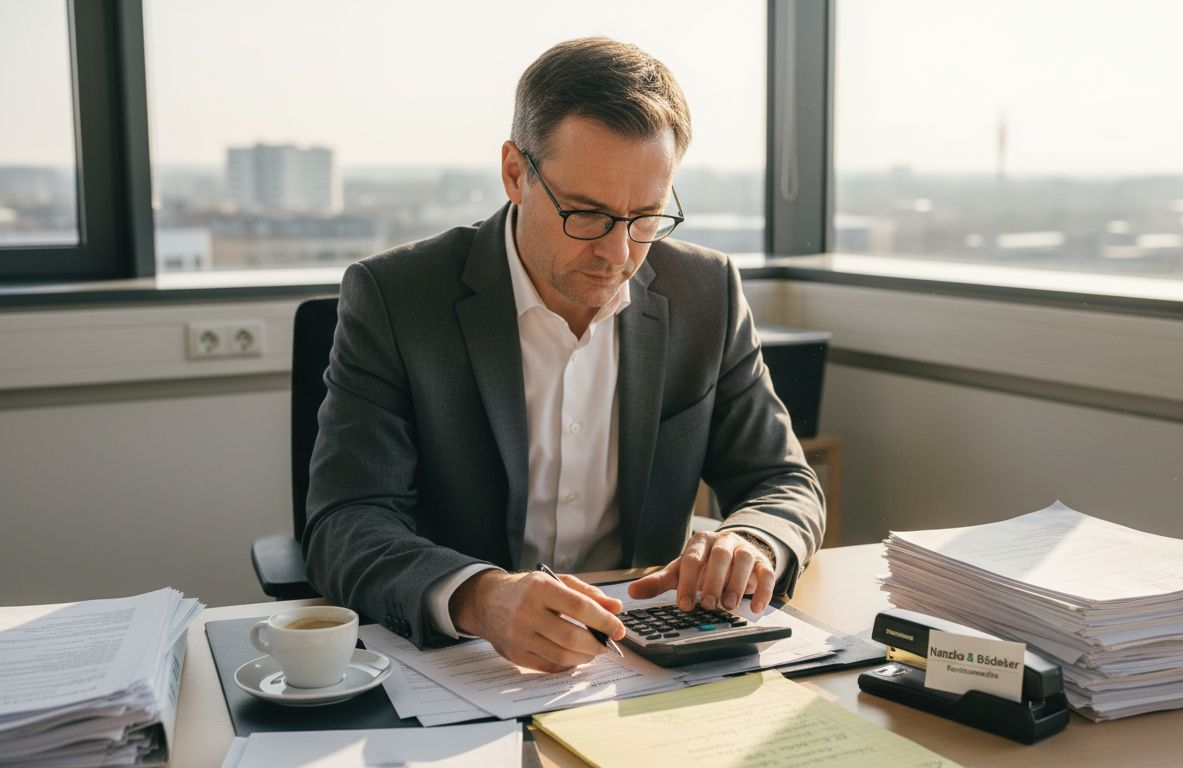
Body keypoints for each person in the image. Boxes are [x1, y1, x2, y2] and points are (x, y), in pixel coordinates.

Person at [303, 37, 825, 673]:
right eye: (586, 214)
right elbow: (346, 520)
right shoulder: (397, 297)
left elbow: (781, 481)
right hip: (468, 662)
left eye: (646, 217)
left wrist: (751, 541)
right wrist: (477, 596)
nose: (618, 253)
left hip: (646, 660)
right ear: (515, 173)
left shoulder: (704, 292)